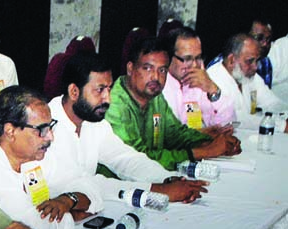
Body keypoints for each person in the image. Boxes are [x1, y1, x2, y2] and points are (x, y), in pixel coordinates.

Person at [46, 53, 207, 203]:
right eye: (100, 90)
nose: (107, 98)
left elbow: (124, 158)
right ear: (74, 92)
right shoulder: (46, 129)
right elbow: (82, 184)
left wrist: (165, 178)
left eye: (109, 89)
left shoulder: (93, 121)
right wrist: (157, 190)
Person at [0, 86, 102, 229]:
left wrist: (68, 200)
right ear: (10, 131)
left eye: (50, 126)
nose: (50, 137)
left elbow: (86, 183)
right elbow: (34, 228)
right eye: (41, 129)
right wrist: (73, 216)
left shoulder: (32, 151)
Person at [104, 37, 241, 171]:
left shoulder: (154, 96)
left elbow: (174, 134)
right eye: (147, 68)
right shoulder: (114, 105)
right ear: (130, 68)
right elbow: (137, 159)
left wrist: (210, 140)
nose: (156, 77)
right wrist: (205, 151)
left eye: (162, 70)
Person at [206, 33, 288, 131]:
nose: (255, 67)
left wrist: (286, 114)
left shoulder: (249, 76)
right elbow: (238, 119)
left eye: (257, 61)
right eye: (249, 61)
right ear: (232, 60)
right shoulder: (213, 79)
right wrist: (282, 125)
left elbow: (271, 102)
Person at [160, 27, 234, 128]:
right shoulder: (158, 85)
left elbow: (227, 124)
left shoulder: (200, 81)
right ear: (168, 58)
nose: (195, 65)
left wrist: (212, 89)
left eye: (198, 58)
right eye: (187, 59)